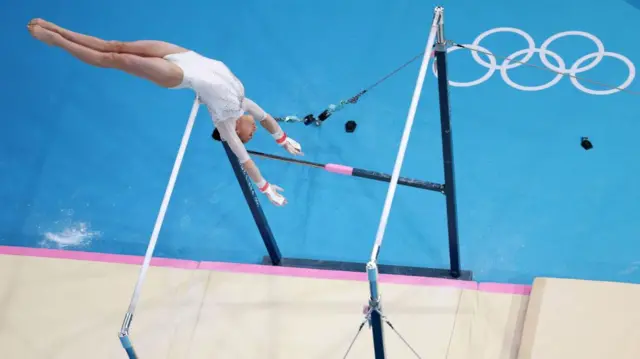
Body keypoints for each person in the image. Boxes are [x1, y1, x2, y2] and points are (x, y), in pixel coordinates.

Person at [27, 18, 303, 206]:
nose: (252, 131)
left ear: (233, 134)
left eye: (249, 136)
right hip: (184, 54)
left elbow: (247, 163)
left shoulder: (226, 124)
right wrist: (283, 139)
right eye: (252, 133)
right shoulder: (245, 104)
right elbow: (267, 119)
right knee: (116, 45)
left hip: (179, 74)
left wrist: (266, 188)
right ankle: (58, 28)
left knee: (114, 59)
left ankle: (56, 40)